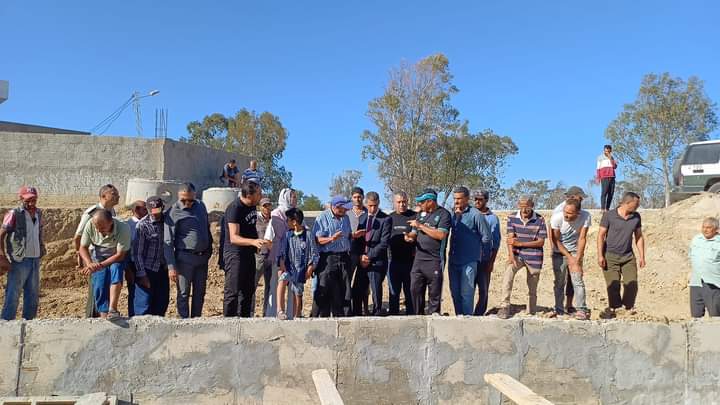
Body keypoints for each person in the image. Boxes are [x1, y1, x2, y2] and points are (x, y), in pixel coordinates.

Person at [164, 183, 213, 318]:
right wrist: (171, 267)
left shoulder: (201, 206)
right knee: (183, 293)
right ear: (179, 196)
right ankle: (184, 322)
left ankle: (196, 321)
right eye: (183, 200)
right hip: (184, 259)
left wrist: (209, 249)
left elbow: (206, 227)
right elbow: (168, 242)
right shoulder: (173, 212)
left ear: (195, 195)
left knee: (200, 293)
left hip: (202, 258)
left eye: (190, 200)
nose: (187, 203)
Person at [223, 176, 267, 317]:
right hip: (235, 254)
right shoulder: (235, 208)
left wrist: (258, 242)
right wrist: (253, 242)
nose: (261, 196)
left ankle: (244, 321)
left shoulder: (252, 205)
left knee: (248, 292)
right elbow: (233, 237)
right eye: (258, 194)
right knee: (233, 292)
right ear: (249, 196)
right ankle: (228, 323)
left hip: (248, 254)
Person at [597, 192, 645, 319]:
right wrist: (600, 255)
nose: (638, 206)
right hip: (610, 256)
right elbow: (601, 235)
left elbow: (639, 237)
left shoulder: (636, 217)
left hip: (628, 256)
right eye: (636, 204)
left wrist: (642, 256)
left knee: (632, 284)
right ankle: (616, 310)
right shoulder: (609, 215)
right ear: (627, 203)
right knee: (613, 285)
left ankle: (628, 309)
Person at [498, 195, 547, 320]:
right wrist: (511, 255)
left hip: (534, 257)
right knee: (508, 276)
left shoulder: (540, 220)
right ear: (518, 206)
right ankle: (504, 306)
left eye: (527, 207)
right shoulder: (512, 218)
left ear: (532, 206)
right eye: (522, 207)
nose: (524, 210)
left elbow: (540, 242)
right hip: (517, 255)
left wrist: (520, 244)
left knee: (532, 285)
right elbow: (510, 239)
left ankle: (531, 310)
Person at [74, 184, 119, 318]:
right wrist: (81, 257)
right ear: (104, 196)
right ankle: (93, 317)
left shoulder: (112, 212)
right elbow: (78, 236)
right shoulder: (92, 213)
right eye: (114, 194)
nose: (118, 196)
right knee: (97, 288)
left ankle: (102, 315)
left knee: (106, 287)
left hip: (109, 255)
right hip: (94, 256)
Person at [0, 186, 45, 320]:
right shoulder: (14, 214)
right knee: (13, 294)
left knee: (33, 295)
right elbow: (1, 235)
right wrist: (2, 256)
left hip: (35, 259)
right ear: (21, 199)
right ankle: (6, 323)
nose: (31, 203)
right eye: (28, 200)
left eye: (34, 200)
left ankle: (28, 324)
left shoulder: (38, 213)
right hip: (19, 260)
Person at [78, 209, 130, 319]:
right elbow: (83, 247)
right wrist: (90, 264)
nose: (98, 230)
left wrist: (100, 265)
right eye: (96, 227)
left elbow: (120, 255)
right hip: (98, 255)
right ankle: (103, 313)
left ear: (111, 223)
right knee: (99, 282)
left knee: (116, 271)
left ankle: (112, 309)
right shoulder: (90, 224)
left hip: (115, 255)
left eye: (102, 228)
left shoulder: (123, 228)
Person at [406, 188, 451, 315]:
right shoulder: (420, 214)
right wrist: (409, 237)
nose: (419, 204)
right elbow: (414, 233)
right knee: (414, 289)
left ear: (430, 201)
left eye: (422, 202)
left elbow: (441, 235)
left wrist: (420, 226)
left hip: (434, 260)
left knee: (434, 294)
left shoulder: (444, 214)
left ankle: (433, 318)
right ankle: (417, 317)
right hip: (419, 260)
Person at [448, 186, 491, 316]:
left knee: (466, 293)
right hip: (453, 260)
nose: (456, 201)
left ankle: (468, 320)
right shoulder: (452, 214)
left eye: (459, 198)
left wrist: (479, 253)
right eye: (455, 198)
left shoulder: (475, 215)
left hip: (469, 261)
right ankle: (459, 318)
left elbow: (486, 237)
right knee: (455, 292)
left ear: (467, 199)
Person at [310, 196, 353, 317]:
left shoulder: (346, 218)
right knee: (324, 288)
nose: (346, 210)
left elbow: (348, 235)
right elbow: (317, 240)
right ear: (335, 207)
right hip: (328, 258)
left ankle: (343, 317)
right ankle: (319, 317)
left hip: (344, 257)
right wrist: (332, 238)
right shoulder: (322, 217)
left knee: (344, 289)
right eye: (343, 208)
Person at [550, 199, 591, 320]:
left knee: (577, 279)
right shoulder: (557, 218)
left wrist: (577, 258)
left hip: (575, 251)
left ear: (578, 213)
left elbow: (582, 238)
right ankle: (559, 308)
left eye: (569, 213)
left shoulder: (586, 216)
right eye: (565, 211)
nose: (566, 215)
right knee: (559, 282)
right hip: (559, 252)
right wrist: (569, 257)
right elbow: (556, 240)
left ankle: (581, 309)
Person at [351, 192, 391, 316]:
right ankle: (357, 313)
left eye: (375, 205)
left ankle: (377, 312)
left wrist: (368, 256)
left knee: (375, 290)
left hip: (376, 261)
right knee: (357, 290)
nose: (372, 209)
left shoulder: (386, 219)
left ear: (378, 203)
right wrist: (360, 256)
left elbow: (384, 243)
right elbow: (358, 241)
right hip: (361, 260)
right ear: (366, 204)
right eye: (370, 206)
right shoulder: (362, 218)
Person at [132, 196, 170, 316]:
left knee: (161, 303)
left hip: (162, 269)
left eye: (157, 210)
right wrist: (142, 275)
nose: (155, 214)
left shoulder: (167, 222)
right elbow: (137, 253)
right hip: (148, 270)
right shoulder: (143, 225)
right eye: (151, 211)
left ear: (162, 208)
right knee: (144, 305)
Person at [263, 188, 298, 317]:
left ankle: (291, 314)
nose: (295, 200)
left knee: (293, 287)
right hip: (279, 258)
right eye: (293, 197)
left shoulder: (296, 214)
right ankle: (274, 313)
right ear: (286, 198)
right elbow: (268, 239)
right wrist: (279, 255)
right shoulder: (275, 215)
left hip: (294, 258)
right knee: (276, 285)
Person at [277, 208, 315, 319]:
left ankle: (297, 315)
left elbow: (314, 254)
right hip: (288, 268)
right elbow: (281, 251)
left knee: (297, 292)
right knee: (282, 281)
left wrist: (310, 268)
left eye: (287, 220)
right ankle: (280, 310)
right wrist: (281, 263)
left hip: (301, 269)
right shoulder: (287, 235)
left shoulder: (308, 235)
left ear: (294, 222)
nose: (286, 222)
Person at [472, 189, 500, 316]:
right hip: (470, 258)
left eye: (480, 199)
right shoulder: (470, 214)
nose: (477, 202)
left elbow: (496, 242)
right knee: (468, 289)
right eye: (476, 199)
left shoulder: (492, 219)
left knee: (483, 290)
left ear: (486, 200)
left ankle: (479, 313)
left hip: (484, 259)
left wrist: (491, 262)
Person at [388, 191, 416, 315]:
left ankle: (411, 316)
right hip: (393, 262)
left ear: (407, 202)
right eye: (399, 202)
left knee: (410, 292)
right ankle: (393, 316)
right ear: (394, 203)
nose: (402, 204)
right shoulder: (389, 218)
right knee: (394, 292)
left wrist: (412, 238)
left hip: (411, 262)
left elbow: (419, 234)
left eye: (404, 202)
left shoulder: (414, 216)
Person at [689, 217, 720, 318]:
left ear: (716, 229)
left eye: (708, 227)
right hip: (696, 282)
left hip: (713, 284)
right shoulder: (696, 239)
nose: (705, 230)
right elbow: (690, 255)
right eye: (703, 227)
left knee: (715, 315)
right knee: (695, 315)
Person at [123, 200, 147, 317]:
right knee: (134, 293)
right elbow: (125, 249)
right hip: (133, 265)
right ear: (136, 210)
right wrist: (127, 269)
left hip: (147, 264)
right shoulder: (127, 226)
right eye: (144, 209)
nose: (147, 211)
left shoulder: (149, 223)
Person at [348, 186, 369, 316]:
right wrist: (352, 235)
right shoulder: (346, 213)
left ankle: (362, 310)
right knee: (347, 281)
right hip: (350, 252)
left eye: (359, 197)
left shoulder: (368, 213)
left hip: (363, 252)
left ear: (363, 197)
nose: (357, 199)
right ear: (351, 198)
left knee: (362, 283)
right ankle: (348, 310)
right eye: (355, 197)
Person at [253, 197, 273, 316]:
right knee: (253, 284)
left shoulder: (274, 219)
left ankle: (267, 313)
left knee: (269, 287)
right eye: (264, 206)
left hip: (271, 257)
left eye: (268, 206)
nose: (267, 208)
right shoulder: (256, 219)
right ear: (260, 207)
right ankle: (249, 312)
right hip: (259, 256)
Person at [597, 145, 618, 212]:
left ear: (610, 151)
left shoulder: (612, 157)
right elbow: (598, 169)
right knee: (604, 192)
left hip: (612, 176)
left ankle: (607, 208)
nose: (606, 152)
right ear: (604, 150)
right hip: (604, 177)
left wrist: (611, 159)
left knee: (611, 193)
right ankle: (602, 209)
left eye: (608, 151)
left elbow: (615, 167)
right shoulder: (600, 157)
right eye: (605, 151)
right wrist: (598, 178)